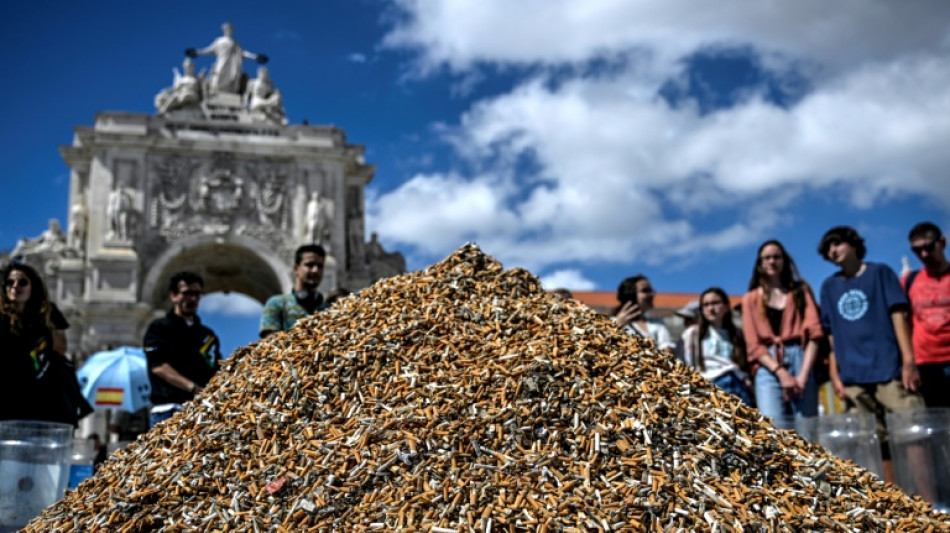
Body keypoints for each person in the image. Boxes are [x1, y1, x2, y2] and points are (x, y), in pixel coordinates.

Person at [818, 226, 927, 486]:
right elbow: (831, 336)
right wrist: (835, 375)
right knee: (874, 444)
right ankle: (894, 500)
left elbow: (898, 317)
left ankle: (931, 502)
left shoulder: (880, 273)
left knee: (913, 435)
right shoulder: (829, 287)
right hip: (854, 379)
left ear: (853, 244)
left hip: (889, 371)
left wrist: (908, 361)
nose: (833, 250)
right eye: (828, 248)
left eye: (838, 243)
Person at [742, 239, 823, 430]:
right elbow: (753, 345)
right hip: (768, 363)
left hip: (801, 357)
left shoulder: (800, 291)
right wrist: (781, 373)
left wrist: (803, 375)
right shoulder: (750, 299)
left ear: (785, 261)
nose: (772, 261)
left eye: (776, 257)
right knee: (774, 427)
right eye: (767, 258)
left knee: (807, 428)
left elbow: (815, 333)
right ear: (760, 264)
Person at [0, 262, 92, 424]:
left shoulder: (48, 312)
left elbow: (60, 349)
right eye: (10, 282)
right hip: (8, 389)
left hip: (42, 390)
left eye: (22, 282)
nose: (15, 287)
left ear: (32, 287)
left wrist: (48, 321)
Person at [143, 271, 222, 428]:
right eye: (187, 293)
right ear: (174, 296)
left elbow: (217, 368)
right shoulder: (159, 328)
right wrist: (193, 388)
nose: (192, 299)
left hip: (201, 411)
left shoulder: (207, 335)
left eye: (197, 294)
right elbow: (158, 366)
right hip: (168, 410)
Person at [903, 222, 950, 407]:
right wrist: (908, 363)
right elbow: (902, 323)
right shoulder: (909, 281)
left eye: (928, 247)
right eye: (917, 250)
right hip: (925, 364)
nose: (923, 254)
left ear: (942, 242)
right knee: (937, 419)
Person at [682, 288, 754, 406]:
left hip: (737, 384)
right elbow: (688, 364)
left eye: (715, 303)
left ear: (726, 307)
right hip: (710, 385)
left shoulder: (737, 333)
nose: (711, 308)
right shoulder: (693, 333)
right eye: (706, 305)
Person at [260, 244, 328, 337]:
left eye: (320, 266)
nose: (315, 270)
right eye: (310, 265)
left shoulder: (329, 308)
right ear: (296, 269)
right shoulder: (276, 303)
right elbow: (270, 341)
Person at [189, 22, 266, 95]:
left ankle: (230, 94)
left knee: (232, 78)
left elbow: (242, 53)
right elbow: (209, 49)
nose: (228, 30)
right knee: (218, 74)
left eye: (230, 29)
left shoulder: (234, 42)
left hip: (232, 64)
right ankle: (216, 92)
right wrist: (198, 52)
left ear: (232, 31)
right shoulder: (219, 41)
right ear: (224, 30)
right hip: (222, 61)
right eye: (227, 29)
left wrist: (254, 57)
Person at [614, 275, 674, 350]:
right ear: (630, 295)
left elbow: (667, 349)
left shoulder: (657, 323)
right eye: (645, 291)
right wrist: (617, 326)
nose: (652, 294)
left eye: (651, 290)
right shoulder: (612, 322)